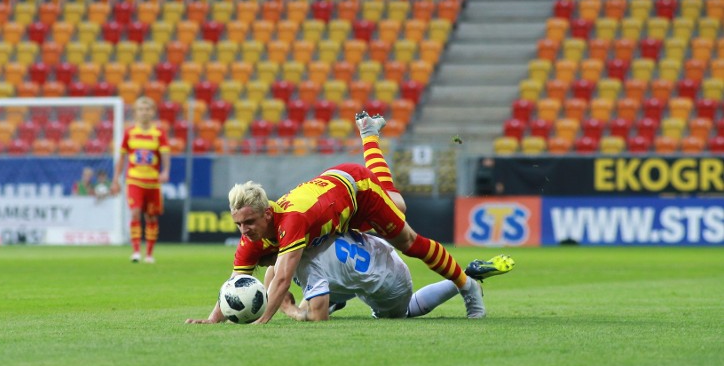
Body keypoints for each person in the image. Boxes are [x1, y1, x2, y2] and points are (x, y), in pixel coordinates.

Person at [187, 111, 489, 324]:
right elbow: (235, 282)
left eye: (249, 222)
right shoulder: (252, 236)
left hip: (357, 190)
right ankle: (370, 134)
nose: (244, 230)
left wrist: (262, 321)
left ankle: (467, 287)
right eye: (238, 224)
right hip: (334, 203)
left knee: (408, 240)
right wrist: (213, 319)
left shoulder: (291, 222)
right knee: (398, 204)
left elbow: (280, 278)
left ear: (267, 213)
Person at [269, 229, 514, 322]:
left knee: (404, 311)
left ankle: (466, 277)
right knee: (325, 289)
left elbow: (317, 317)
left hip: (388, 282)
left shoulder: (305, 265)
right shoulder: (311, 228)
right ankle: (337, 296)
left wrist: (289, 309)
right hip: (379, 251)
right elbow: (273, 272)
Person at [111, 96, 170, 264]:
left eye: (147, 109)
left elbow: (165, 155)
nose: (144, 112)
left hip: (152, 181)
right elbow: (122, 158)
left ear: (152, 112)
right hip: (134, 180)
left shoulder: (159, 133)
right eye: (141, 109)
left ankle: (149, 253)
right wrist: (116, 179)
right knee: (135, 212)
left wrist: (165, 171)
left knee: (151, 216)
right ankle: (136, 251)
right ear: (136, 112)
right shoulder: (130, 132)